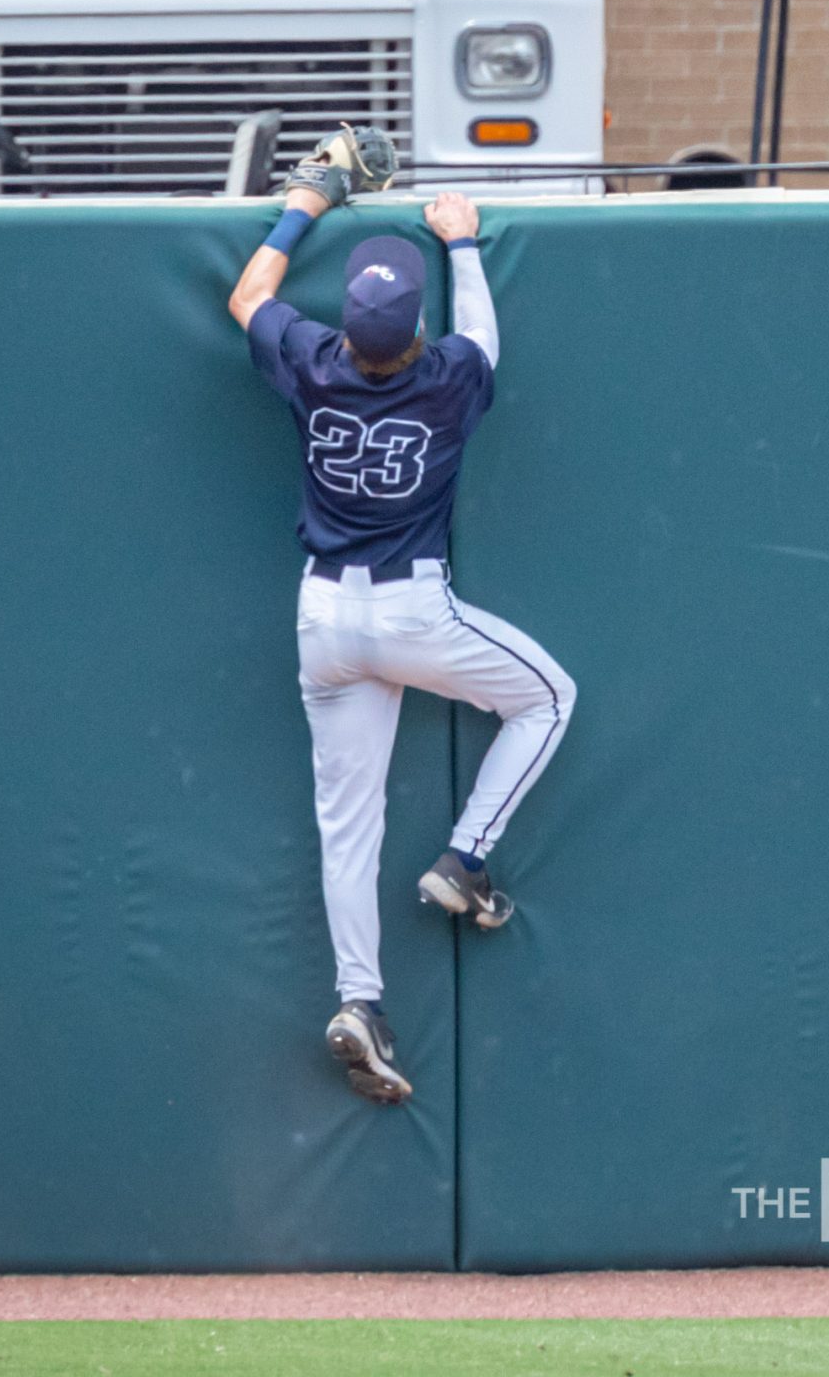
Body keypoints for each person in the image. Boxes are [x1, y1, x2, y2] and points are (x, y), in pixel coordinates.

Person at [226, 167, 575, 1107]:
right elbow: (483, 335)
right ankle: (465, 858)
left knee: (348, 829)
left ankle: (359, 1000)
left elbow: (248, 295)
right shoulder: (450, 377)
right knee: (547, 699)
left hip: (323, 622)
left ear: (350, 325)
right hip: (412, 611)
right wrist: (461, 239)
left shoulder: (310, 359)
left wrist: (307, 201)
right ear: (415, 333)